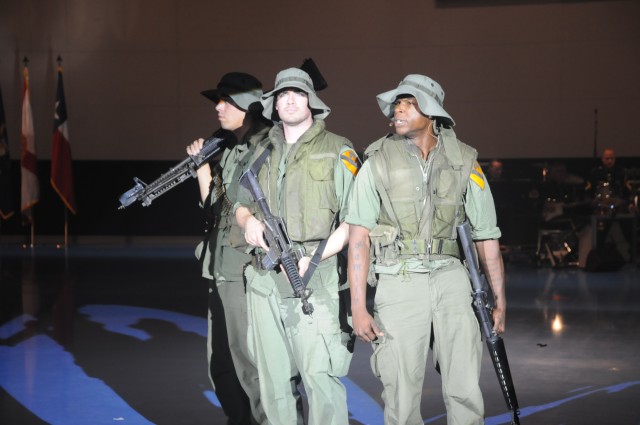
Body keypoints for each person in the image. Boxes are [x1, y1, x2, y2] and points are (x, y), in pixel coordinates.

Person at [346, 74, 506, 424]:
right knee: (400, 390)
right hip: (398, 279)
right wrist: (358, 306)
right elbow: (358, 237)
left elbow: (486, 235)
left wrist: (499, 299)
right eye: (397, 103)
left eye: (409, 102)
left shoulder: (465, 160)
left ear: (431, 112)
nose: (397, 108)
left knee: (465, 387)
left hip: (452, 280)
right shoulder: (377, 161)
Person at [235, 67, 360, 425]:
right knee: (273, 380)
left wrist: (315, 259)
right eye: (282, 94)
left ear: (312, 101)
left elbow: (355, 221)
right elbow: (239, 203)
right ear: (273, 105)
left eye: (298, 93)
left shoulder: (339, 149)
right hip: (264, 280)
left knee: (319, 376)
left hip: (314, 278)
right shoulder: (260, 151)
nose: (289, 99)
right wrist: (249, 222)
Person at [187, 72, 272, 425]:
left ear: (248, 105)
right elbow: (215, 207)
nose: (218, 108)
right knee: (220, 362)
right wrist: (202, 169)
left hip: (246, 269)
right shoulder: (229, 147)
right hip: (221, 264)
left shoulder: (268, 146)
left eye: (226, 101)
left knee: (249, 360)